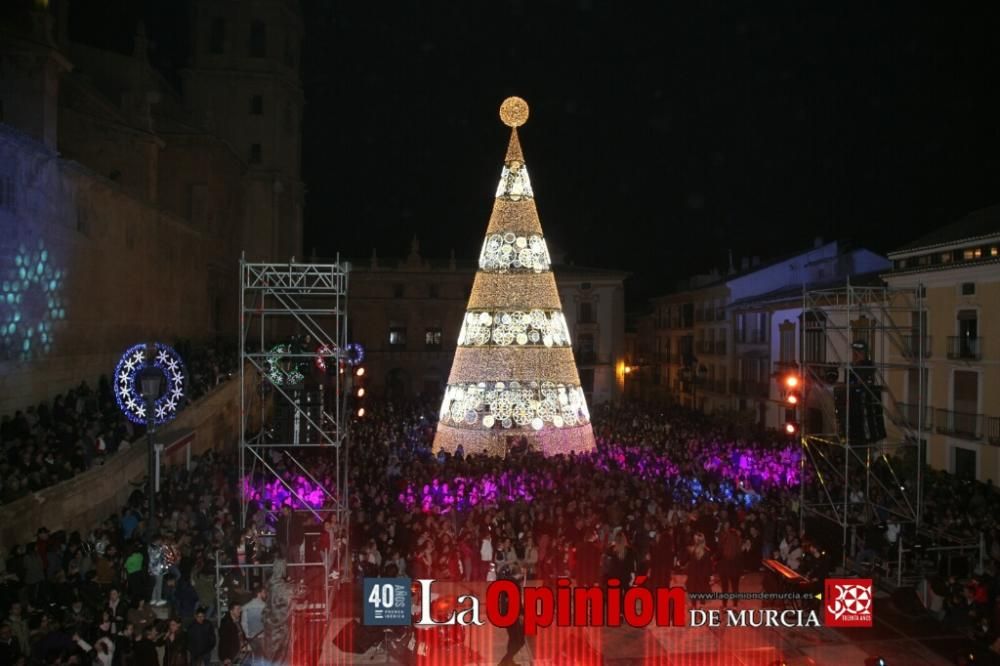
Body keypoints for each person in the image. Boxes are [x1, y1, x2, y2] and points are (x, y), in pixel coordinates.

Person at [718, 523, 743, 607]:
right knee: (735, 586)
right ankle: (735, 605)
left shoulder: (724, 537)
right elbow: (739, 552)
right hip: (735, 564)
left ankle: (724, 605)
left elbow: (720, 549)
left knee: (725, 587)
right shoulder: (737, 538)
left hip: (725, 563)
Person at [241, 586, 267, 661]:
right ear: (259, 594)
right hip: (263, 637)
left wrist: (247, 634)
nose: (265, 594)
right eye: (264, 592)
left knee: (254, 658)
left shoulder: (246, 606)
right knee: (263, 659)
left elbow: (244, 623)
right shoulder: (265, 607)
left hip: (251, 637)